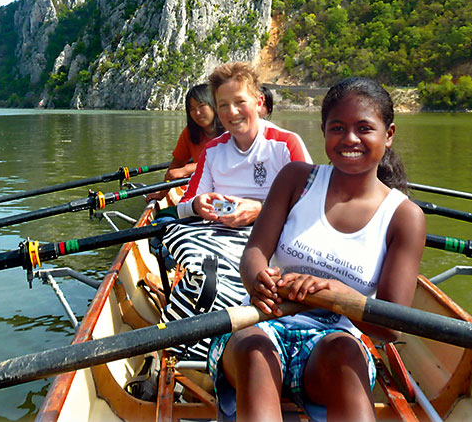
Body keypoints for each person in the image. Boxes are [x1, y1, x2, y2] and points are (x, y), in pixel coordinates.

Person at [207, 76, 426, 422]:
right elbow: (254, 253)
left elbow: (390, 327)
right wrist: (257, 281)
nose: (350, 139)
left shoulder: (405, 217)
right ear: (323, 131)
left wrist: (339, 294)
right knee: (253, 349)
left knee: (346, 354)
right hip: (266, 321)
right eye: (337, 128)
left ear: (389, 134)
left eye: (364, 128)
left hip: (334, 341)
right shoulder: (296, 179)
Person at [160, 62, 312, 359]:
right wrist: (197, 204)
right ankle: (211, 298)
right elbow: (184, 206)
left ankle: (209, 323)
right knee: (177, 230)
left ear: (258, 102)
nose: (232, 112)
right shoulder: (213, 150)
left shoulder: (285, 144)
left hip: (271, 236)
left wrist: (260, 210)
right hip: (217, 233)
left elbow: (311, 205)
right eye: (223, 105)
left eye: (240, 102)